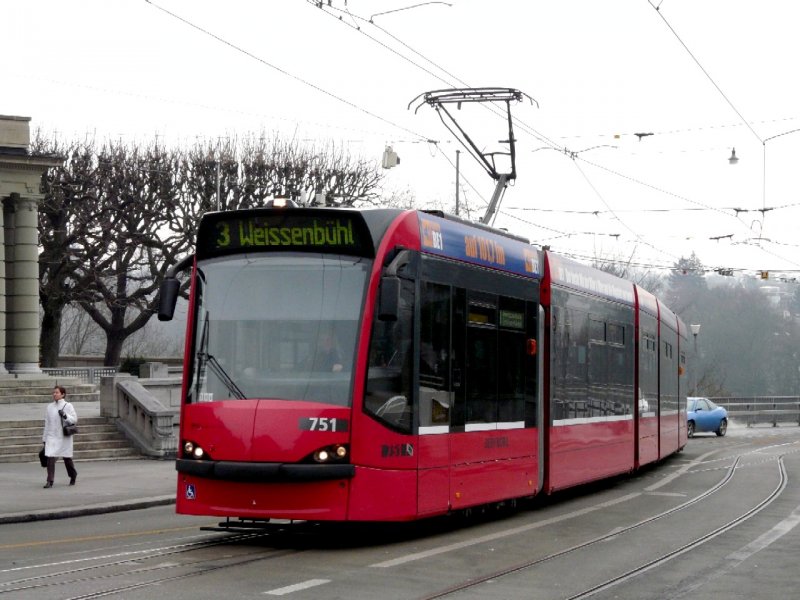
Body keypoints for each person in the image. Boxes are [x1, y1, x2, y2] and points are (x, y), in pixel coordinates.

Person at [42, 385, 78, 488]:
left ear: (63, 394)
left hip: (64, 437)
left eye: (57, 393)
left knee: (67, 459)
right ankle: (50, 480)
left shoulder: (68, 406)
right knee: (50, 458)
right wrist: (44, 438)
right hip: (52, 436)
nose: (54, 394)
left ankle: (73, 475)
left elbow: (74, 420)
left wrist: (65, 416)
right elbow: (47, 423)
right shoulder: (49, 407)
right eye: (53, 392)